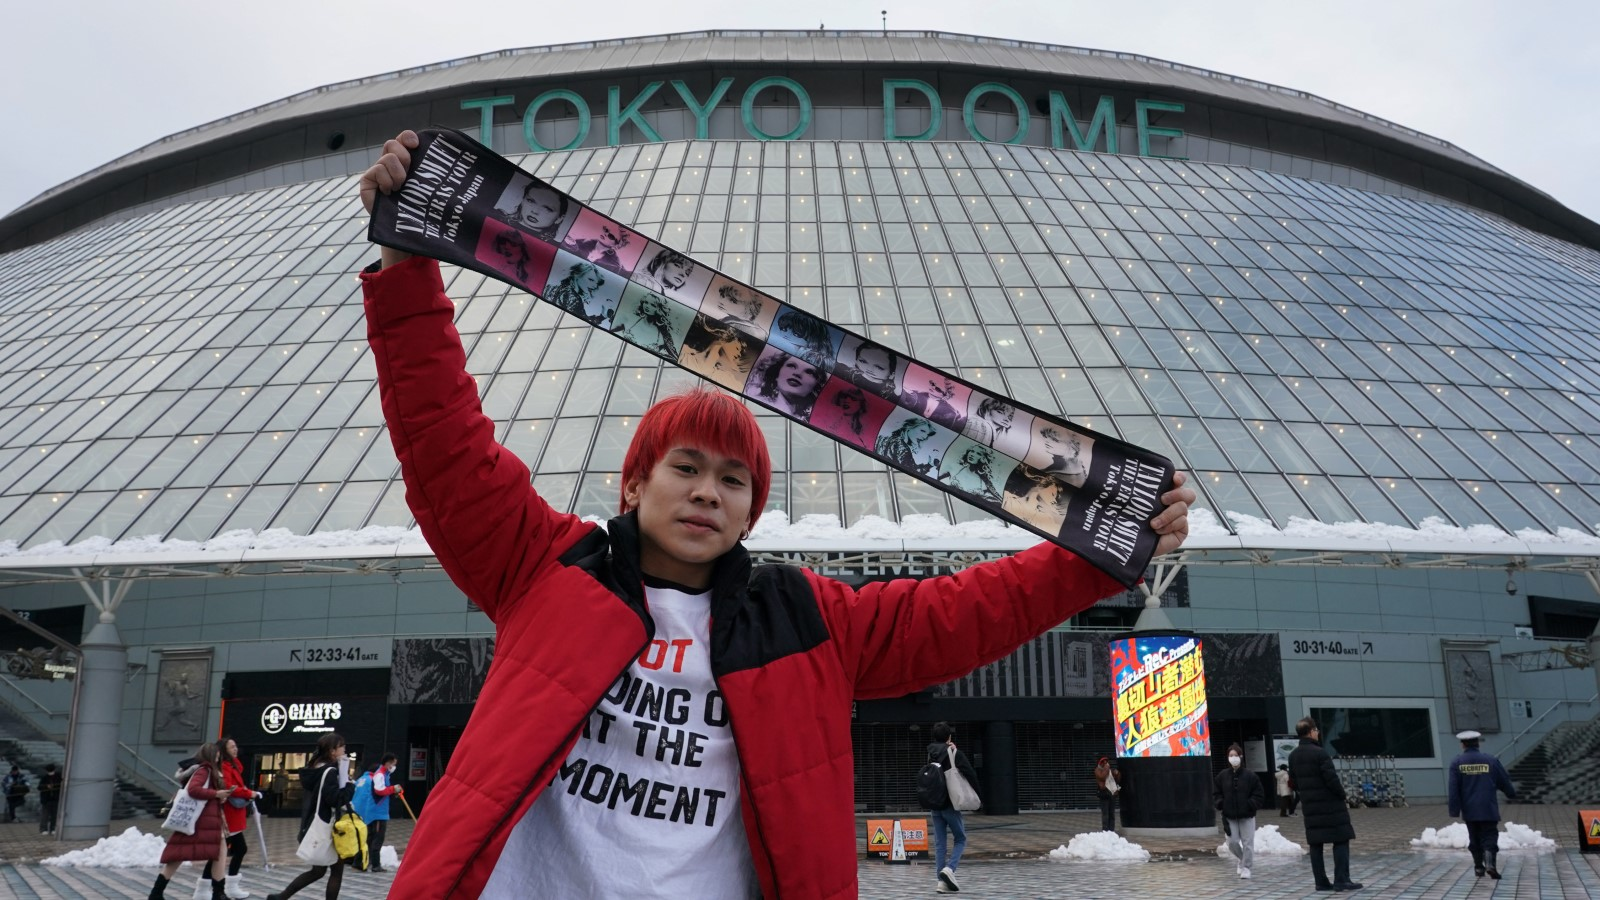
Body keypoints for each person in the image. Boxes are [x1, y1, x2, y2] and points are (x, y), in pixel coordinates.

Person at [356, 130, 1195, 899]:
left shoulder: (804, 617)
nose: (706, 492)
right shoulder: (543, 567)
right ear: (633, 487)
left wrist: (1101, 551)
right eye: (684, 468)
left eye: (733, 481)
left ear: (751, 512)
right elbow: (446, 448)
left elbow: (964, 616)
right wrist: (404, 270)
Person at [148, 742, 241, 900]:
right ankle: (157, 893)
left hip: (207, 820)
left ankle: (218, 893)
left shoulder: (208, 770)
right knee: (180, 855)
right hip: (201, 821)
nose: (219, 757)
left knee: (218, 853)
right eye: (216, 755)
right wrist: (217, 794)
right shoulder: (204, 770)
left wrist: (220, 796)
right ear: (210, 755)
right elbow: (194, 790)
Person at [266, 733, 350, 900]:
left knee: (318, 871)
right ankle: (282, 897)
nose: (344, 749)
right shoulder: (330, 771)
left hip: (313, 823)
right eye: (342, 747)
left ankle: (281, 897)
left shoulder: (315, 768)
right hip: (329, 826)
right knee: (336, 870)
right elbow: (335, 799)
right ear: (333, 751)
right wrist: (349, 785)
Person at [1288, 716, 1362, 892]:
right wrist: (1342, 795)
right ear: (1311, 732)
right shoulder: (1320, 753)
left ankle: (1321, 882)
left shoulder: (1293, 756)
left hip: (1310, 807)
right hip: (1331, 806)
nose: (1318, 733)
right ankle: (1341, 880)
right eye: (1316, 730)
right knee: (1341, 839)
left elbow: (1294, 782)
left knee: (1316, 843)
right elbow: (1331, 780)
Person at [1448, 729, 1516, 879]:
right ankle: (1490, 865)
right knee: (1490, 836)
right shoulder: (1491, 760)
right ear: (1478, 743)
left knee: (1475, 838)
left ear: (1462, 745)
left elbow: (1454, 788)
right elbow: (1503, 780)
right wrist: (1511, 794)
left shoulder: (1457, 763)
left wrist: (1454, 810)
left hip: (1469, 810)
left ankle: (1479, 868)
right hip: (1488, 808)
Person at [924, 723, 979, 894]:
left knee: (940, 843)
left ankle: (941, 883)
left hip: (935, 803)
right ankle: (950, 868)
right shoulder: (954, 752)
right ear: (949, 737)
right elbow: (970, 773)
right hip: (950, 803)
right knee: (960, 838)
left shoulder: (930, 754)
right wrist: (978, 795)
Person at [208, 737, 262, 899]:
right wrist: (250, 793)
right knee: (230, 851)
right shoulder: (225, 767)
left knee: (223, 852)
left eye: (235, 746)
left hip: (233, 814)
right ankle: (224, 886)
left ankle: (211, 887)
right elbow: (231, 789)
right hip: (228, 814)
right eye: (232, 746)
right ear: (223, 750)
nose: (235, 749)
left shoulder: (233, 765)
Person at [1215, 743, 1265, 879]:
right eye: (1231, 756)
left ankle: (1247, 867)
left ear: (1241, 757)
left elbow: (1259, 794)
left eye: (1236, 755)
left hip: (1247, 815)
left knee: (1248, 842)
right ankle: (1242, 859)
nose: (1233, 758)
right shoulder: (1222, 776)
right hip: (1229, 816)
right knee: (1232, 842)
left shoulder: (1250, 776)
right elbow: (1217, 793)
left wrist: (1250, 804)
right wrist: (1221, 804)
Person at [359, 754, 403, 873]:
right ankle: (375, 864)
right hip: (377, 812)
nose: (394, 767)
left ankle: (364, 862)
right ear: (388, 763)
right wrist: (393, 789)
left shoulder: (384, 775)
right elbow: (379, 790)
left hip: (378, 811)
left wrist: (393, 791)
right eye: (393, 764)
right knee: (377, 838)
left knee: (371, 837)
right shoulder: (380, 775)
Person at [750, 351, 825, 419]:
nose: (797, 373)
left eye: (809, 372)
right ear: (776, 373)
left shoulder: (807, 420)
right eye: (791, 366)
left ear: (816, 385)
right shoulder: (756, 403)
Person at [499, 179, 570, 242]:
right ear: (523, 200)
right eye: (530, 201)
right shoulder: (498, 217)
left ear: (559, 218)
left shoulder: (553, 246)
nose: (535, 211)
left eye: (548, 209)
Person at [1093, 756, 1121, 832]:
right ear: (1100, 762)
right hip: (1104, 794)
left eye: (1106, 761)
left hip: (1112, 793)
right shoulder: (1098, 770)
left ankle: (1111, 831)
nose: (1105, 763)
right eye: (1103, 761)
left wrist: (1117, 774)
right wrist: (1106, 768)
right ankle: (1105, 830)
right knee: (1105, 814)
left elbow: (1117, 780)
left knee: (1112, 813)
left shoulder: (1109, 770)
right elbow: (1102, 777)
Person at [38, 762, 62, 834]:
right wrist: (46, 786)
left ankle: (52, 828)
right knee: (45, 815)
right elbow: (39, 787)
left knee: (54, 815)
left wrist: (54, 786)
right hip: (46, 799)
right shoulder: (44, 778)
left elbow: (60, 786)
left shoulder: (58, 777)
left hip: (55, 798)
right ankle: (43, 829)